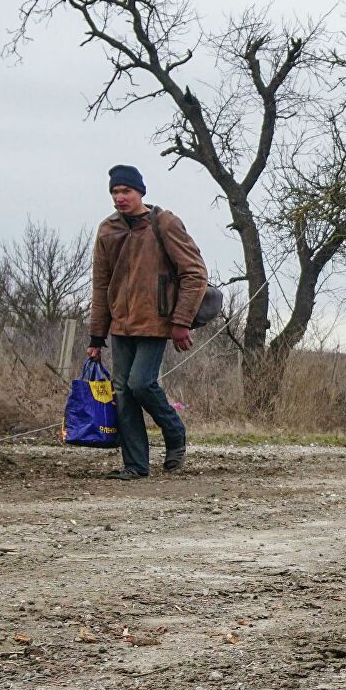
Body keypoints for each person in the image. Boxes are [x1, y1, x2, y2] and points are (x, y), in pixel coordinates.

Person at [86, 164, 208, 479]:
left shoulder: (163, 223)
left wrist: (181, 322)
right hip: (121, 324)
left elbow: (195, 273)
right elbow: (101, 285)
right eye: (114, 192)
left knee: (141, 384)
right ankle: (136, 465)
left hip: (157, 321)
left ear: (140, 191)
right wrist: (96, 337)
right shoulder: (107, 230)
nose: (119, 197)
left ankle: (174, 430)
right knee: (123, 392)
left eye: (125, 191)